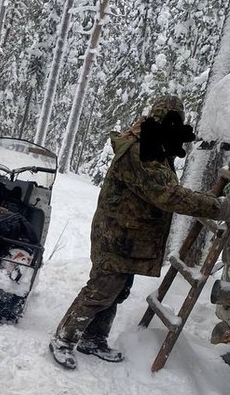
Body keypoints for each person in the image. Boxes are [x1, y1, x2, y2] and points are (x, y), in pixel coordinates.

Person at [49, 95, 230, 370]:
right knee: (102, 289)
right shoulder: (141, 149)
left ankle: (94, 339)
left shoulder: (154, 145)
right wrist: (217, 207)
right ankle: (64, 338)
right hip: (117, 234)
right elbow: (166, 195)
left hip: (130, 235)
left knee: (117, 289)